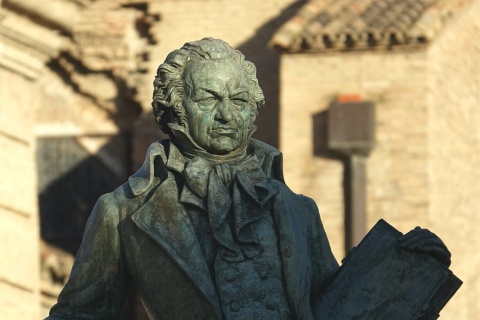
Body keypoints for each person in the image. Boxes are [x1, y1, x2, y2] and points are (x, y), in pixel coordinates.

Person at [47, 38, 450, 320]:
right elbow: (79, 314)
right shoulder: (124, 212)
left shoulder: (297, 209)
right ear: (174, 107)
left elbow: (337, 303)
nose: (226, 114)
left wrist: (406, 270)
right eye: (208, 98)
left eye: (237, 100)